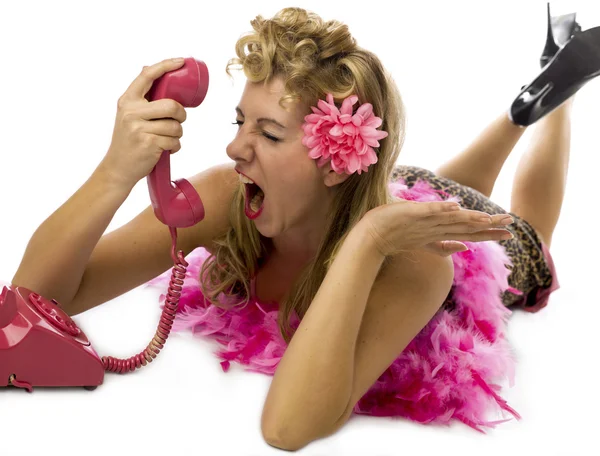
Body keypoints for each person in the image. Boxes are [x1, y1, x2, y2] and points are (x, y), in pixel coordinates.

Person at [10, 5, 600, 451]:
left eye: (268, 134)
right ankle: (523, 104)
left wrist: (368, 243)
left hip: (428, 234)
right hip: (388, 188)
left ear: (338, 159)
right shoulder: (229, 193)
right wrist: (115, 172)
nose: (234, 147)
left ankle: (554, 101)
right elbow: (32, 303)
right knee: (433, 181)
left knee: (529, 231)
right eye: (241, 120)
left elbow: (288, 429)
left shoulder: (418, 264)